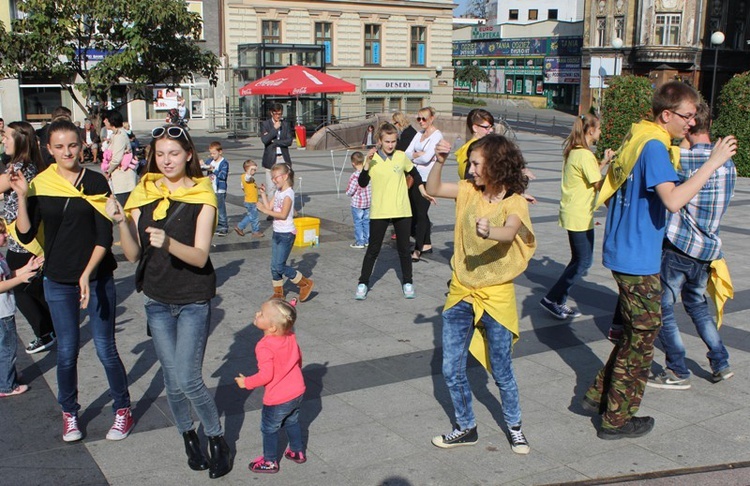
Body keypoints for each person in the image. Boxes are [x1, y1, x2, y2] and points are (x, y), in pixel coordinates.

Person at [582, 81, 737, 440]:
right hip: (638, 258)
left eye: (694, 116)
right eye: (686, 115)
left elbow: (615, 191)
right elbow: (673, 200)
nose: (691, 122)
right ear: (666, 114)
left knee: (635, 333)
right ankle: (617, 420)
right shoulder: (653, 146)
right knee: (642, 341)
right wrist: (712, 162)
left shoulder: (639, 135)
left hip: (627, 250)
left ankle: (595, 397)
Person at [108, 124, 232, 478]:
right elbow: (132, 256)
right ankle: (187, 435)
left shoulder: (202, 195)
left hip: (193, 298)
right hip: (157, 299)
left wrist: (168, 243)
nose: (166, 160)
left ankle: (216, 438)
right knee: (172, 379)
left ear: (189, 155)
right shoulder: (143, 192)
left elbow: (200, 256)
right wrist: (121, 223)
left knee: (189, 379)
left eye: (174, 153)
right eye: (159, 154)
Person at [12, 119, 134, 443]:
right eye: (60, 146)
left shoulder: (95, 181)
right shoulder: (40, 183)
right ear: (48, 149)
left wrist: (86, 275)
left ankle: (123, 408)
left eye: (73, 145)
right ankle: (70, 414)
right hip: (58, 280)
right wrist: (23, 197)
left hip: (97, 277)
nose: (68, 152)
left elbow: (104, 235)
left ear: (82, 145)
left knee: (106, 349)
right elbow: (25, 232)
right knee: (66, 352)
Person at [426, 135, 536, 454]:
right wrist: (440, 160)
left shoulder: (513, 201)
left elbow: (511, 231)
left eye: (476, 163)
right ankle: (465, 427)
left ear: (495, 165)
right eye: (470, 163)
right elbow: (433, 189)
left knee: (501, 368)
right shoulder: (467, 191)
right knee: (451, 367)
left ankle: (514, 427)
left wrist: (490, 231)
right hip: (461, 293)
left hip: (496, 299)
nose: (471, 169)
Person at [646, 102, 737, 390]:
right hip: (708, 250)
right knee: (697, 306)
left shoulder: (685, 159)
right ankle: (720, 362)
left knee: (662, 308)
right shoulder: (729, 163)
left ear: (690, 125)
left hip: (680, 247)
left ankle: (677, 368)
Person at [539, 114, 614, 320]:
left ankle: (558, 301)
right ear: (590, 131)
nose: (600, 132)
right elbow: (598, 184)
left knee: (579, 260)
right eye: (598, 128)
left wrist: (605, 162)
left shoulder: (577, 152)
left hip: (577, 213)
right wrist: (617, 174)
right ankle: (551, 298)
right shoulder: (584, 155)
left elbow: (590, 177)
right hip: (578, 214)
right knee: (583, 262)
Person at [354, 122, 433, 301]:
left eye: (393, 141)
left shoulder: (401, 156)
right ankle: (363, 283)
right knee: (373, 249)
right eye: (387, 141)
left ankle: (407, 282)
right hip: (380, 211)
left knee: (404, 249)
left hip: (401, 210)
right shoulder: (372, 159)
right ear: (380, 141)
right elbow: (362, 183)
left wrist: (422, 191)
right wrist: (366, 164)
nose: (390, 145)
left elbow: (415, 174)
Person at [0, 122, 56, 355]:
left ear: (20, 140)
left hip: (23, 241)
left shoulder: (20, 168)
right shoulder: (25, 164)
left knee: (20, 287)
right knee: (29, 286)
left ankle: (45, 332)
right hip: (20, 238)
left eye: (7, 137)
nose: (3, 141)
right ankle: (52, 326)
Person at [235, 298, 307, 474]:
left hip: (278, 398)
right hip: (297, 390)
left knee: (269, 429)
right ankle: (297, 451)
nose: (257, 314)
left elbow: (266, 375)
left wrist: (247, 383)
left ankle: (270, 461)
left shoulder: (264, 346)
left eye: (262, 313)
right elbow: (298, 357)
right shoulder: (290, 336)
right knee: (292, 421)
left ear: (272, 327)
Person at [257, 163, 314, 302]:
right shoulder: (278, 192)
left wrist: (264, 211)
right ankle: (278, 293)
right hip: (277, 232)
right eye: (272, 178)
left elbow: (282, 215)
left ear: (285, 176)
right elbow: (269, 206)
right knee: (274, 266)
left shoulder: (289, 194)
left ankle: (305, 283)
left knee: (279, 266)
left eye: (275, 177)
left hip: (286, 234)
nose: (273, 180)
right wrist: (263, 194)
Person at [0, 218, 44, 398]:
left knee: (4, 347)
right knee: (7, 348)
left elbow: (7, 276)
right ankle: (6, 385)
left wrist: (27, 268)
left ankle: (5, 374)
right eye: (2, 233)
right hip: (2, 313)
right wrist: (20, 280)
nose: (6, 235)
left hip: (4, 310)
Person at [405, 107, 442, 262]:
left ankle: (417, 248)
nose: (420, 122)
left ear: (432, 118)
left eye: (424, 119)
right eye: (418, 119)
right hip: (415, 177)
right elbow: (406, 153)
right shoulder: (419, 134)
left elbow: (427, 159)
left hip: (428, 179)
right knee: (416, 211)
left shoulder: (437, 135)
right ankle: (426, 243)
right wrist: (416, 155)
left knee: (420, 213)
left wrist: (416, 156)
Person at [103, 111, 137, 207]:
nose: (104, 121)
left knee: (124, 208)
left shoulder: (120, 136)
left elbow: (116, 158)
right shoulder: (115, 135)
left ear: (112, 121)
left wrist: (107, 171)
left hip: (123, 178)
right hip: (119, 177)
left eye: (106, 119)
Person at [261, 104, 293, 199]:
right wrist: (274, 129)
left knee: (285, 185)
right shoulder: (265, 124)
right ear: (271, 113)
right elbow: (265, 140)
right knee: (271, 188)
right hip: (271, 159)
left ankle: (283, 208)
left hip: (283, 158)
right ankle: (273, 211)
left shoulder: (285, 124)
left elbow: (289, 141)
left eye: (280, 114)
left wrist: (274, 142)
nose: (278, 116)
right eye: (276, 114)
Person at [455, 109, 495, 180]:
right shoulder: (475, 148)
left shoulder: (467, 146)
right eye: (486, 127)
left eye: (491, 126)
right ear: (475, 128)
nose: (491, 130)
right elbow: (468, 175)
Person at [345, 151, 371, 249]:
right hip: (368, 203)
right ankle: (368, 240)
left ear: (353, 163)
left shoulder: (355, 176)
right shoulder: (368, 173)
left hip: (357, 204)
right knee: (367, 221)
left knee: (358, 222)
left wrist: (347, 193)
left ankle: (360, 242)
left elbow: (350, 190)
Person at [203, 142, 229, 236]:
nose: (212, 155)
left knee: (220, 208)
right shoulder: (210, 161)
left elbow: (223, 175)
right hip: (211, 188)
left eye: (214, 153)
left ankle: (223, 226)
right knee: (212, 208)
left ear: (220, 152)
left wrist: (213, 169)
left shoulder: (224, 163)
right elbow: (204, 167)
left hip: (219, 189)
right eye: (211, 153)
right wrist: (202, 164)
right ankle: (214, 225)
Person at [234, 159, 263, 238]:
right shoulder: (245, 177)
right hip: (250, 201)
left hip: (251, 200)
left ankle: (240, 227)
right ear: (247, 169)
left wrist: (259, 187)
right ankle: (255, 231)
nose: (254, 171)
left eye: (255, 169)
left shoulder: (251, 179)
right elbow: (247, 178)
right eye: (252, 169)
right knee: (254, 217)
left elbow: (248, 186)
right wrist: (249, 171)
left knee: (251, 216)